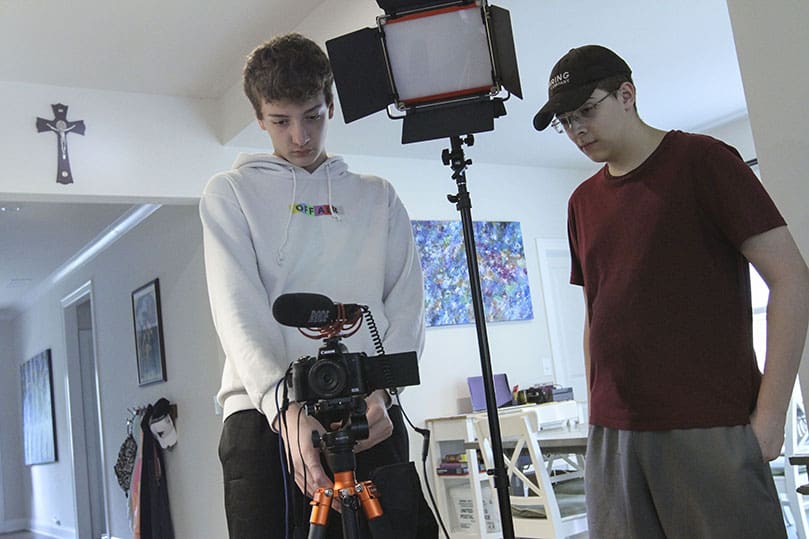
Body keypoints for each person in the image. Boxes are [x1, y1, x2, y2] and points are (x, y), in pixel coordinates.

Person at [533, 44, 809, 538]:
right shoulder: (582, 202)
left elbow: (791, 278)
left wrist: (770, 420)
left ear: (627, 94)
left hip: (707, 426)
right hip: (613, 436)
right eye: (565, 120)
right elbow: (595, 316)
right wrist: (598, 412)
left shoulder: (703, 161)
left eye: (586, 111)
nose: (576, 129)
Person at [200, 33, 435, 538]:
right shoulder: (230, 194)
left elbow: (408, 303)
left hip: (370, 407)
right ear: (259, 118)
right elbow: (237, 310)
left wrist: (384, 392)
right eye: (281, 121)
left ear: (331, 105)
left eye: (313, 116)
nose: (299, 136)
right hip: (264, 416)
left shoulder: (378, 197)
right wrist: (284, 411)